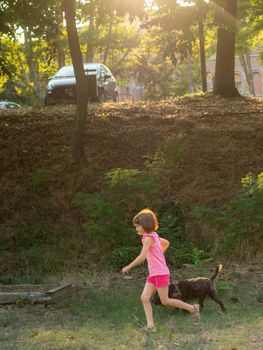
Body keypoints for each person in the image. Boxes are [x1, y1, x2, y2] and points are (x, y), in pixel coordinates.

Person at [121, 208, 200, 332]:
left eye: (138, 226)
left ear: (145, 225)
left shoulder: (148, 238)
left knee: (165, 301)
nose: (136, 229)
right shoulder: (154, 235)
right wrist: (158, 255)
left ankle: (192, 308)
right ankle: (151, 326)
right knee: (145, 297)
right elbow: (166, 243)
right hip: (155, 273)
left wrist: (128, 266)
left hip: (160, 273)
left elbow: (142, 257)